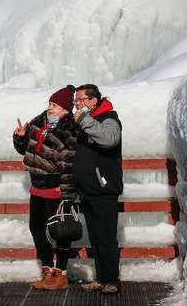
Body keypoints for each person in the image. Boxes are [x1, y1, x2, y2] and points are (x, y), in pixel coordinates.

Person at [13, 85, 80, 291]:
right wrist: (20, 137)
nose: (50, 107)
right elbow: (24, 150)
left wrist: (67, 196)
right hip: (37, 186)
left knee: (60, 231)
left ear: (65, 110)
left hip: (56, 187)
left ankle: (61, 274)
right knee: (37, 229)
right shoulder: (39, 122)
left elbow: (69, 165)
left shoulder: (69, 130)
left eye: (56, 105)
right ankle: (48, 270)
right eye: (50, 103)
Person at [72, 84, 123, 295]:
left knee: (106, 238)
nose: (76, 104)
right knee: (95, 238)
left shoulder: (108, 118)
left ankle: (112, 280)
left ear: (93, 101)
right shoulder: (87, 121)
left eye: (80, 99)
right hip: (88, 190)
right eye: (75, 100)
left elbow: (110, 140)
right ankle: (102, 278)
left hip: (104, 189)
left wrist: (84, 120)